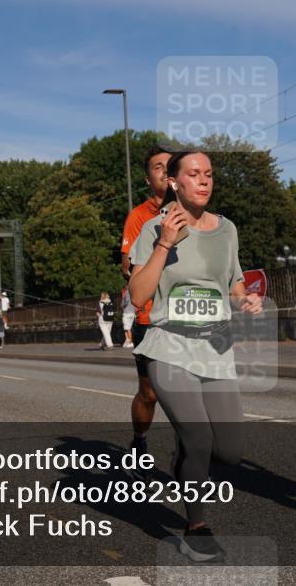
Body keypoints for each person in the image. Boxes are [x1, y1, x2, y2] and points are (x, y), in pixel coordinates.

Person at [128, 149, 262, 562]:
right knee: (200, 436)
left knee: (230, 452)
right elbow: (138, 295)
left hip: (214, 350)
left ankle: (183, 458)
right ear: (174, 182)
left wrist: (245, 302)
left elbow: (233, 286)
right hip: (168, 346)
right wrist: (165, 243)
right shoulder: (154, 228)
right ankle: (196, 526)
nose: (203, 181)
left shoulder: (227, 230)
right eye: (193, 174)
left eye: (208, 174)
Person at [120, 145, 172, 474]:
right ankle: (139, 439)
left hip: (188, 318)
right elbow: (128, 267)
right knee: (150, 394)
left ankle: (194, 457)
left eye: (170, 165)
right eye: (158, 167)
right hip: (149, 318)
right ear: (148, 177)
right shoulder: (139, 217)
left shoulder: (195, 211)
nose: (165, 171)